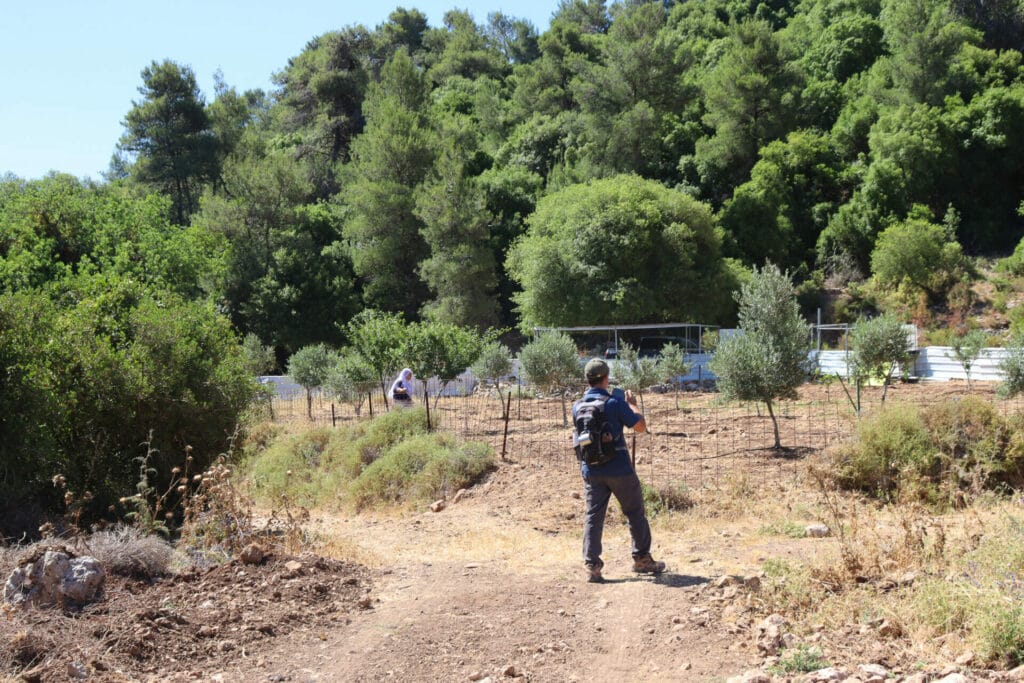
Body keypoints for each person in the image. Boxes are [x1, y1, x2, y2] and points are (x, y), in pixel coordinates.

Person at [574, 358, 665, 583]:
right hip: (619, 469)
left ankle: (592, 566)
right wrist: (632, 404)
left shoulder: (577, 406)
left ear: (587, 380)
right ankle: (642, 559)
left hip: (592, 470)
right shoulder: (614, 402)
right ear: (606, 378)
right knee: (634, 512)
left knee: (593, 516)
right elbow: (640, 427)